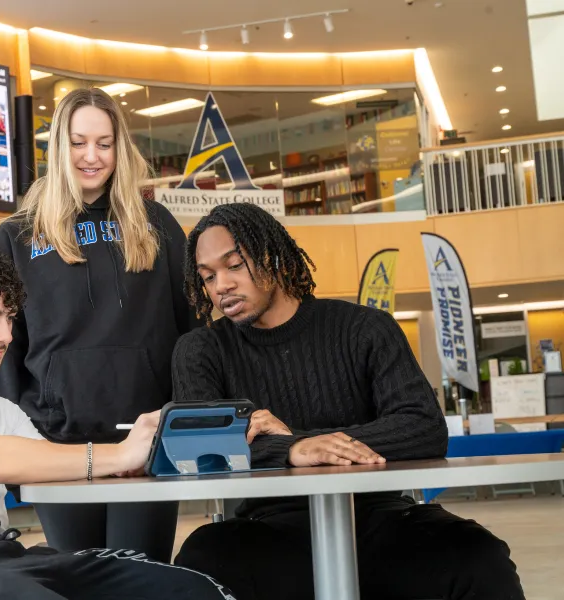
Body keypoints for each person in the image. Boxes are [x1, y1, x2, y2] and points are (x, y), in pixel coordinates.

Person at [170, 202, 524, 600]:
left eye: (234, 265)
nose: (221, 286)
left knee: (479, 557)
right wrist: (294, 450)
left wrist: (299, 442)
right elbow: (201, 448)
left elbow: (423, 427)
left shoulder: (364, 329)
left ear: (272, 257)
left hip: (384, 517)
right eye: (208, 277)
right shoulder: (201, 350)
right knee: (202, 559)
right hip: (268, 526)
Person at [0, 240, 235, 600]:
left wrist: (139, 455)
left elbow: (47, 462)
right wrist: (119, 455)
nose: (5, 334)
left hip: (5, 559)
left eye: (8, 318)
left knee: (186, 588)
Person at [0, 88, 198, 562]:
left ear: (120, 148)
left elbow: (192, 335)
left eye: (104, 143)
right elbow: (3, 347)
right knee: (78, 582)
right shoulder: (19, 234)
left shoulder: (156, 225)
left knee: (142, 583)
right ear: (60, 146)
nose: (91, 156)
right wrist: (16, 441)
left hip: (145, 442)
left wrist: (181, 425)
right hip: (57, 445)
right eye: (79, 142)